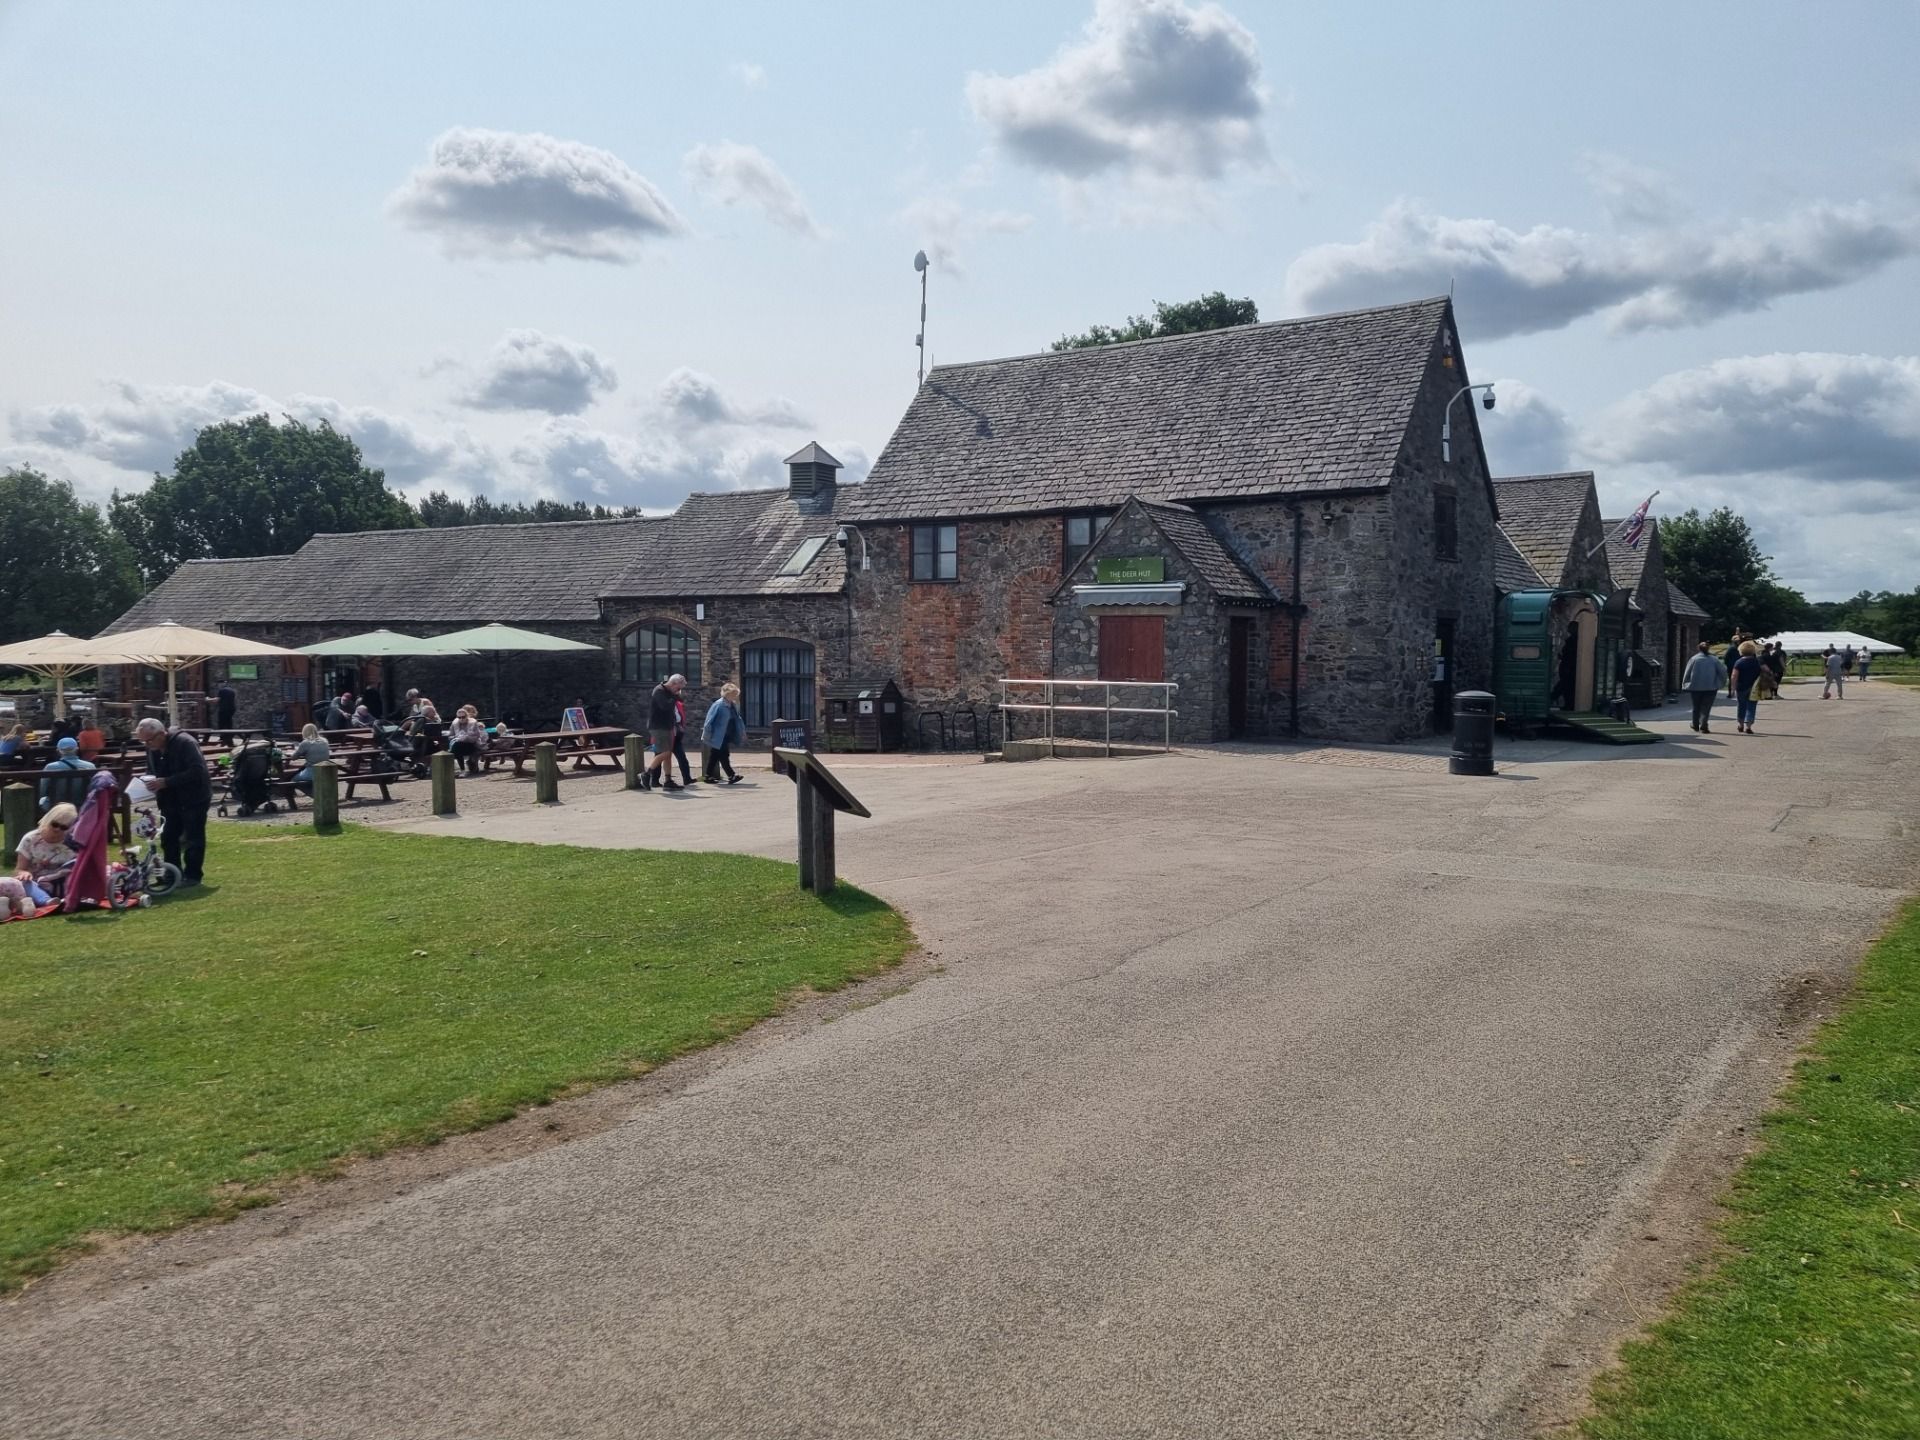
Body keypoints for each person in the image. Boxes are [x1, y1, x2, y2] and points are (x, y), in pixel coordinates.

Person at [136, 717, 212, 887]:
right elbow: (151, 769)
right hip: (169, 799)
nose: (147, 745)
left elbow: (197, 771)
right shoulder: (153, 747)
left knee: (193, 838)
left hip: (193, 797)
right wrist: (147, 781)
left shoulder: (185, 743)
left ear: (161, 734)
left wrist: (167, 782)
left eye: (149, 740)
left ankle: (192, 876)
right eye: (143, 742)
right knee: (168, 837)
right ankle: (172, 875)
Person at [13, 802, 79, 907]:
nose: (57, 829)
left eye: (63, 827)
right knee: (23, 883)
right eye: (55, 824)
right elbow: (19, 869)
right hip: (37, 884)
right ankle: (47, 901)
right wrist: (24, 874)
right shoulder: (30, 839)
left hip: (63, 883)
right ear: (48, 819)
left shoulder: (73, 842)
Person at [640, 673, 686, 791]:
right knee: (665, 752)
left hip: (667, 726)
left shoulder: (669, 691)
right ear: (673, 683)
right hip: (658, 727)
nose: (679, 691)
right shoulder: (659, 691)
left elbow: (680, 701)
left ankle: (668, 780)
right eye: (678, 688)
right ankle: (646, 774)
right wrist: (675, 696)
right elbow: (665, 706)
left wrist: (676, 696)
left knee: (668, 754)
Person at [701, 683, 747, 784]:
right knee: (724, 755)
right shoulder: (719, 705)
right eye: (733, 694)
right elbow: (709, 720)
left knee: (715, 755)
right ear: (727, 694)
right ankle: (731, 775)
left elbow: (738, 719)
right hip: (718, 735)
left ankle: (708, 776)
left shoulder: (732, 705)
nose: (735, 696)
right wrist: (707, 735)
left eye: (736, 694)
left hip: (726, 734)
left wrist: (742, 731)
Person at [1679, 642, 1726, 733]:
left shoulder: (1694, 659)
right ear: (1708, 648)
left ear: (1699, 648)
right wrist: (1720, 683)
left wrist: (1684, 684)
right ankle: (1704, 725)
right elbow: (1723, 672)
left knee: (1696, 706)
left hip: (1695, 687)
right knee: (1706, 707)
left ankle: (1695, 724)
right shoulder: (1714, 660)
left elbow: (1687, 672)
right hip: (1711, 687)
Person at [39, 735, 96, 803]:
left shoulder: (50, 767)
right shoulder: (90, 766)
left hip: (57, 804)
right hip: (83, 804)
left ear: (58, 751)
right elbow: (94, 788)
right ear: (77, 749)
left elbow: (42, 790)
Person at [1730, 640, 1765, 734]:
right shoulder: (1757, 662)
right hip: (1754, 687)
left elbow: (1734, 676)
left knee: (1741, 705)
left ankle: (1740, 724)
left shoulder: (1739, 662)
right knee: (1752, 706)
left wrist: (1733, 688)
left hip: (1741, 687)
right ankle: (1749, 725)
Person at [289, 722, 332, 793]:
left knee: (293, 780)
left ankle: (313, 794)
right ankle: (315, 792)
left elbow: (294, 757)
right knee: (306, 778)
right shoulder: (325, 740)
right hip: (325, 770)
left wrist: (294, 752)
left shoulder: (305, 743)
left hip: (312, 771)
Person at [447, 705, 488, 775]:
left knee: (456, 748)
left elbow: (477, 736)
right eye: (459, 717)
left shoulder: (473, 723)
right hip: (459, 745)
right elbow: (450, 736)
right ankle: (462, 770)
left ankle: (461, 769)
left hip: (472, 745)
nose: (461, 719)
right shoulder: (455, 724)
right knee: (457, 747)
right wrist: (456, 737)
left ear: (467, 716)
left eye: (463, 717)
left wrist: (467, 737)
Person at [671, 694, 695, 786]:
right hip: (667, 735)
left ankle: (687, 779)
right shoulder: (665, 704)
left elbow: (680, 718)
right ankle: (654, 780)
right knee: (660, 757)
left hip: (676, 735)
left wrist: (681, 727)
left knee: (682, 758)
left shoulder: (678, 704)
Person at [215, 680, 237, 745]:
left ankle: (223, 738)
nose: (218, 686)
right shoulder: (232, 690)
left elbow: (217, 700)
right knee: (229, 723)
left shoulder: (221, 691)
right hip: (231, 709)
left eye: (219, 684)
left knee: (222, 724)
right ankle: (229, 738)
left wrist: (208, 699)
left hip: (224, 709)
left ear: (221, 684)